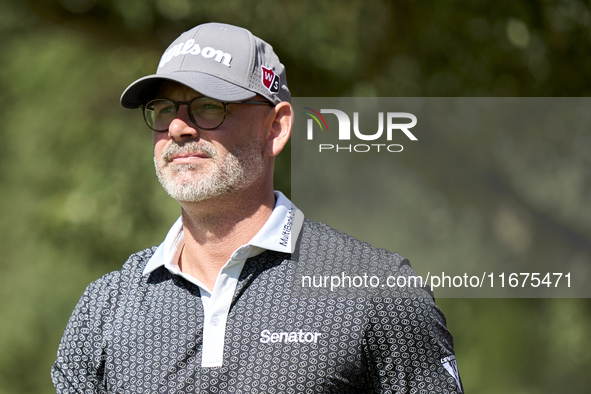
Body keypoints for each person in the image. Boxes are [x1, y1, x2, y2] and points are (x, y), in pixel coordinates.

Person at [52, 22, 463, 393]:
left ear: (276, 127)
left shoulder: (377, 290)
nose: (178, 127)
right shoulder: (105, 306)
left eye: (209, 105)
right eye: (163, 110)